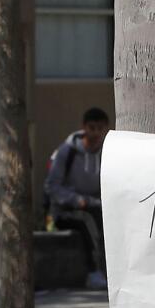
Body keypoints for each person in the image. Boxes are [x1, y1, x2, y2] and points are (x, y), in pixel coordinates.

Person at [45, 107, 110, 289]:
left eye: (100, 128)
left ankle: (111, 270)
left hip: (96, 206)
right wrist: (76, 200)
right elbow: (52, 186)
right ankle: (94, 271)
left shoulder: (107, 152)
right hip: (66, 210)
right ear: (83, 127)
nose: (96, 133)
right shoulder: (68, 152)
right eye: (91, 127)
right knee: (87, 221)